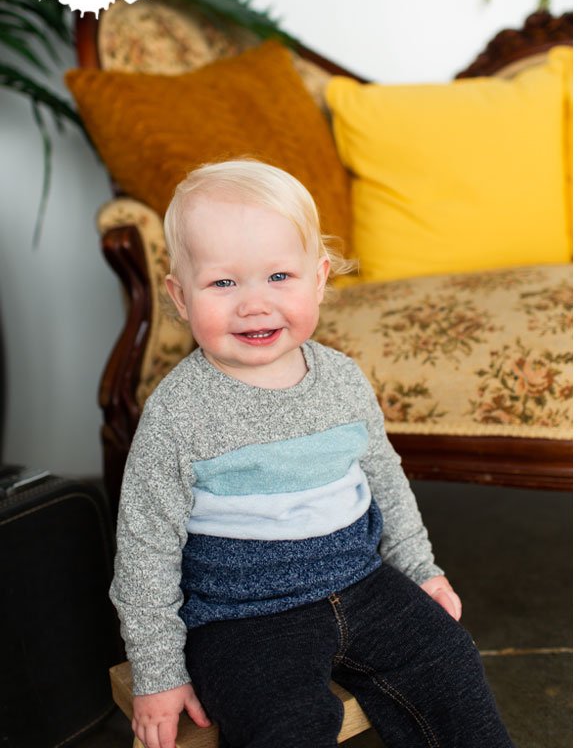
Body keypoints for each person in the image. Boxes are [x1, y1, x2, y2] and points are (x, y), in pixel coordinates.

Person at [110, 160, 514, 748]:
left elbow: (385, 480)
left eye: (279, 276)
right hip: (243, 618)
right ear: (179, 295)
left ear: (319, 278)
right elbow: (144, 547)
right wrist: (158, 672)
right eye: (223, 283)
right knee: (284, 725)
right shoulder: (178, 413)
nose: (254, 304)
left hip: (363, 581)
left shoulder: (343, 381)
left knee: (449, 661)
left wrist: (420, 569)